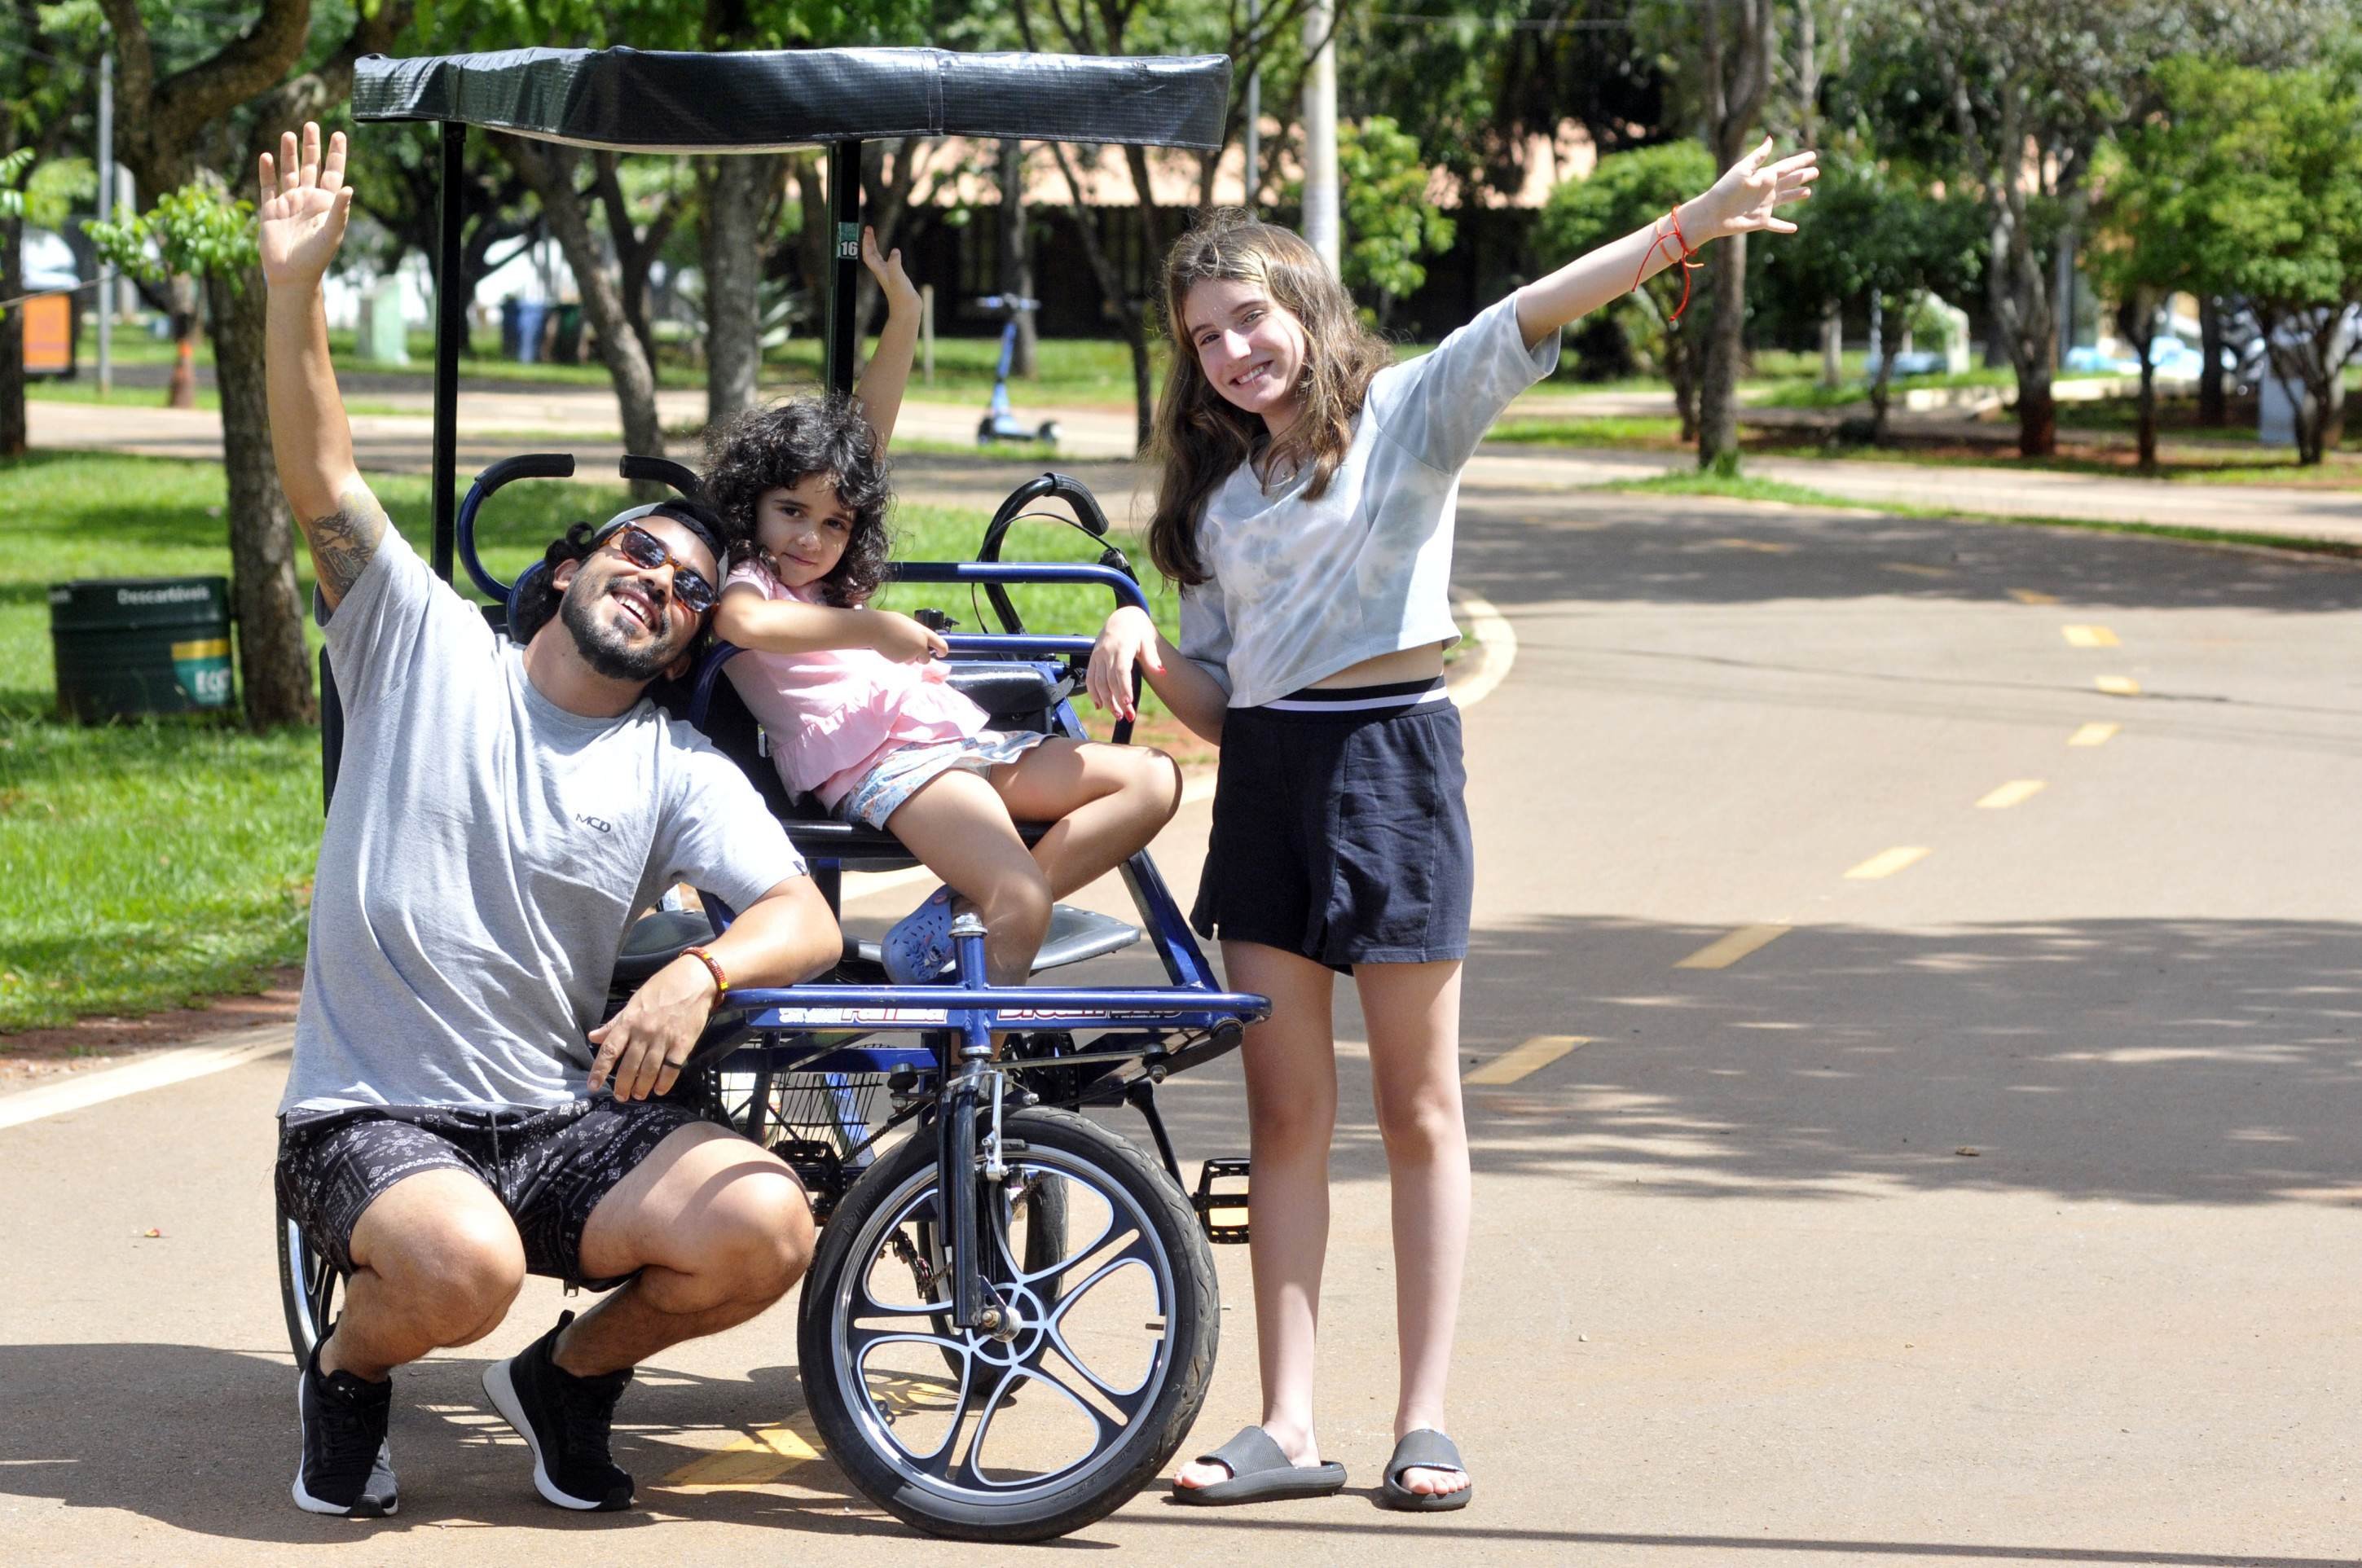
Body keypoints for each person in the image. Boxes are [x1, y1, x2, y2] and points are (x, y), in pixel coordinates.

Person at [1086, 139, 1819, 1512]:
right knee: (1284, 1109)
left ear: (1302, 307)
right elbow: (1221, 702)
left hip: (1392, 765)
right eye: (1203, 337)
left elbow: (1537, 304)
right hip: (1267, 788)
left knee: (1419, 1108)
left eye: (1248, 316)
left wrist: (1695, 224)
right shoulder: (1218, 504)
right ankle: (1285, 1425)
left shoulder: (1411, 411)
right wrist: (1133, 629)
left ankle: (1423, 1422)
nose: (1231, 349)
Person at [260, 122, 842, 1520]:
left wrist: (699, 972)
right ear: (575, 566)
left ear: (694, 636)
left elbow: (804, 919)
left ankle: (565, 1380)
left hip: (549, 1120)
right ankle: (347, 1375)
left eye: (692, 583)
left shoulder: (671, 765)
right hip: (370, 1115)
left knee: (768, 1225)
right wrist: (295, 291)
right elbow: (322, 476)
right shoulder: (419, 642)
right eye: (639, 549)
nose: (657, 580)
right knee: (462, 1271)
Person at [703, 264, 1182, 992]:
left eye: (835, 523)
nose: (812, 536)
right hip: (880, 764)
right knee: (1019, 896)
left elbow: (869, 441)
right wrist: (871, 631)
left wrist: (905, 315)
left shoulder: (833, 581)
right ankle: (975, 1069)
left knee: (1150, 779)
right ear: (752, 506)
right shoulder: (750, 576)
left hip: (947, 740)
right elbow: (742, 623)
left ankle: (960, 919)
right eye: (791, 511)